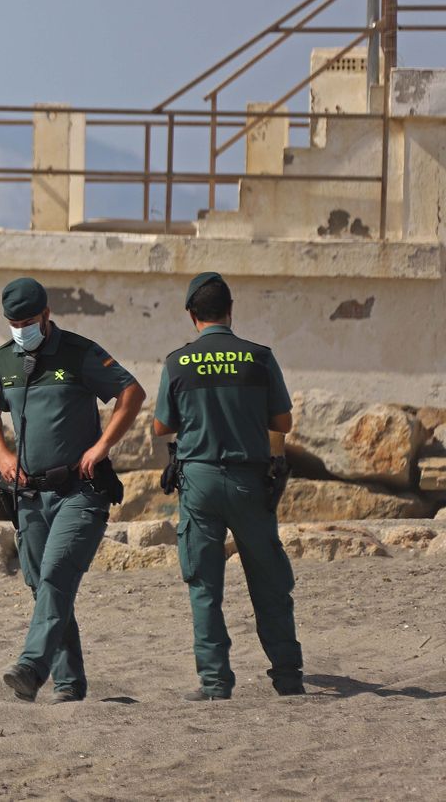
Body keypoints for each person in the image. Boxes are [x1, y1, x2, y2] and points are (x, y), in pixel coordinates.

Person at [0, 277, 146, 704]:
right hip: (29, 497)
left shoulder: (79, 352)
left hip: (80, 492)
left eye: (28, 322)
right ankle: (69, 685)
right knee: (44, 587)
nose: (22, 330)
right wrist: (1, 454)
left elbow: (131, 393)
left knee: (56, 575)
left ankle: (31, 667)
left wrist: (102, 446)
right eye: (15, 323)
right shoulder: (3, 360)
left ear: (46, 315)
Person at [153, 272, 304, 700]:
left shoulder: (178, 362)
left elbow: (162, 425)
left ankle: (215, 682)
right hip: (250, 482)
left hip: (199, 481)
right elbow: (283, 422)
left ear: (192, 315)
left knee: (204, 585)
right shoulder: (259, 357)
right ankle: (288, 677)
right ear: (230, 310)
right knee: (269, 582)